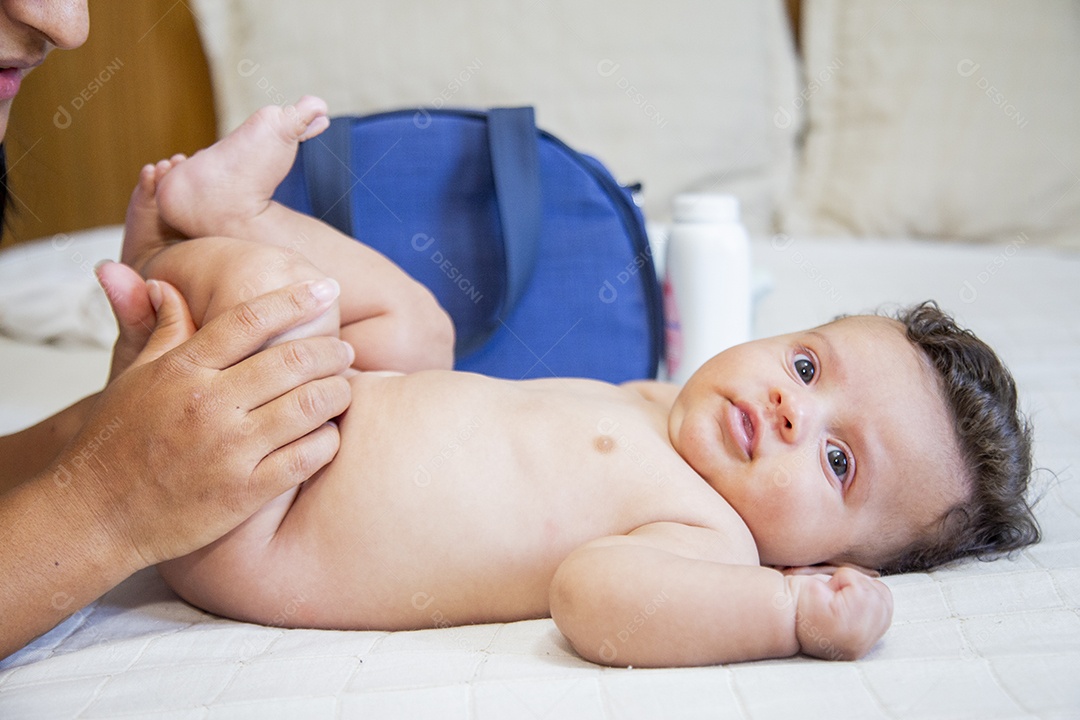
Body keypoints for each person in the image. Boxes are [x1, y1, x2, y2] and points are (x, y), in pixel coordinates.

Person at [124, 96, 1040, 668]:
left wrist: (787, 615)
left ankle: (171, 262)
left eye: (839, 461)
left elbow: (595, 600)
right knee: (420, 326)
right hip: (314, 416)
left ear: (831, 565)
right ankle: (231, 217)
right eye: (805, 366)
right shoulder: (663, 400)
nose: (793, 410)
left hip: (261, 520)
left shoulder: (714, 541)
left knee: (280, 307)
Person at [0, 1, 445, 661]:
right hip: (274, 529)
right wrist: (105, 502)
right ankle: (218, 224)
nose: (69, 24)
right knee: (280, 296)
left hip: (338, 436)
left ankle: (213, 226)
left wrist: (122, 426)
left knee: (420, 329)